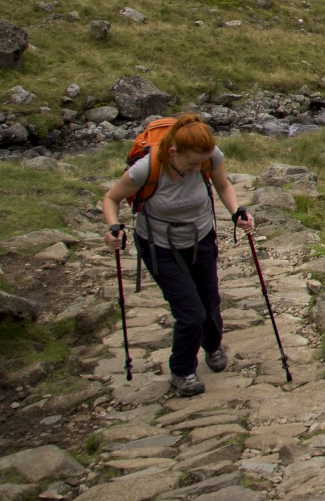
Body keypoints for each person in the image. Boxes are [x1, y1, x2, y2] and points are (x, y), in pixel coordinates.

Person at [101, 114, 251, 396]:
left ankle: (212, 345)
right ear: (173, 152)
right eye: (191, 164)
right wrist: (112, 228)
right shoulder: (146, 170)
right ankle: (182, 371)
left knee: (209, 302)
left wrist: (236, 212)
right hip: (159, 247)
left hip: (201, 238)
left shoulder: (209, 157)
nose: (197, 168)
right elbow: (111, 198)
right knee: (191, 313)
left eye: (201, 163)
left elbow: (223, 185)